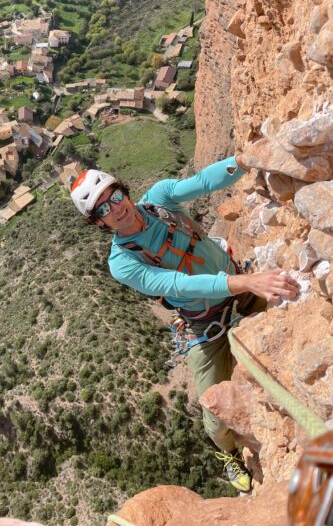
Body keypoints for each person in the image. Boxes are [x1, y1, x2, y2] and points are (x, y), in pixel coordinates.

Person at [70, 154, 299, 492]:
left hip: (238, 286)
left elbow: (204, 182)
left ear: (124, 192)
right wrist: (246, 283)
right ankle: (229, 454)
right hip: (206, 323)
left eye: (115, 197)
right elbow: (176, 285)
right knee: (215, 416)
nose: (115, 208)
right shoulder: (122, 262)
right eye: (103, 209)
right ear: (99, 223)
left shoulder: (160, 200)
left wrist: (244, 160)